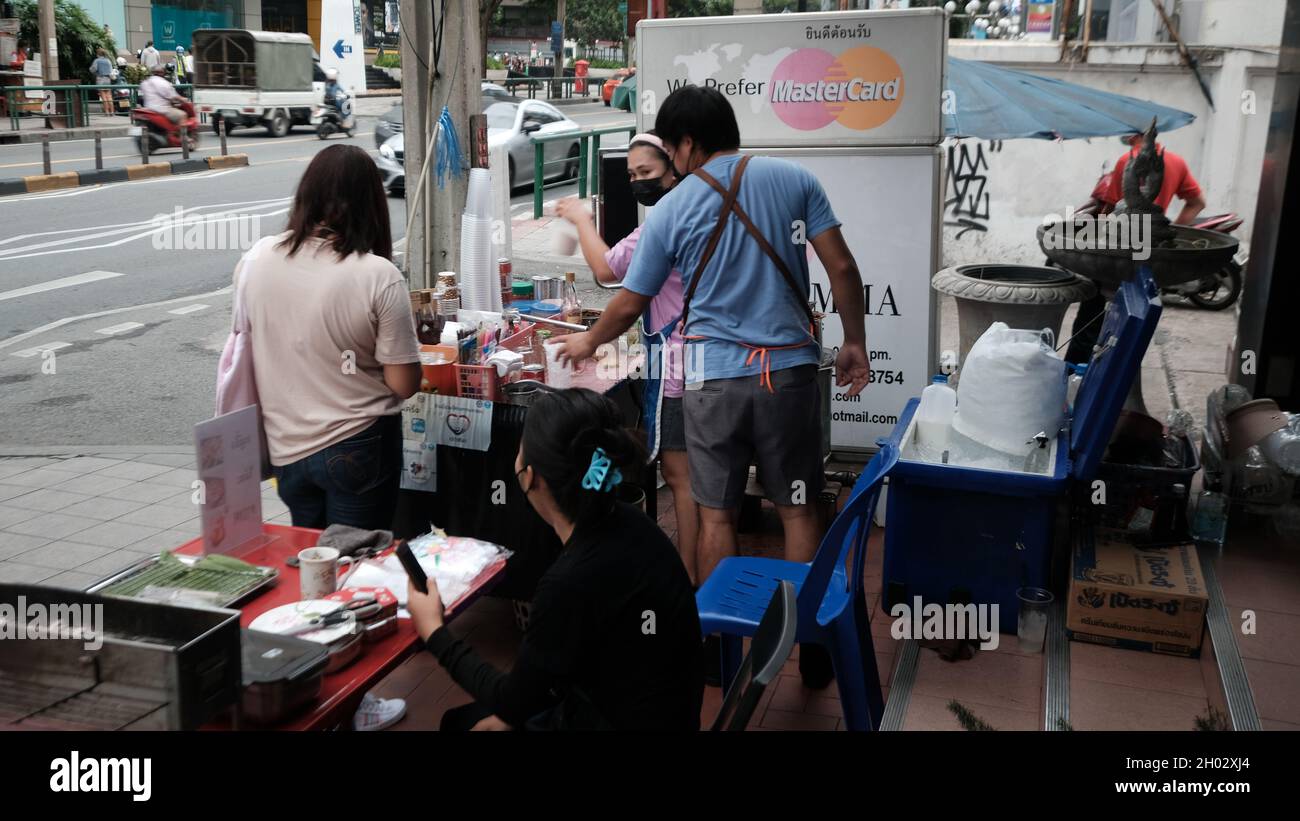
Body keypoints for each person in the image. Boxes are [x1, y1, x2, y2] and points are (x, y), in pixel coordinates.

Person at [553, 85, 870, 690]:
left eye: (670, 150)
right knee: (799, 507)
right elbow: (844, 269)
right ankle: (804, 645)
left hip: (709, 383)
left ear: (688, 143)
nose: (670, 163)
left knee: (715, 515)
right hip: (788, 377)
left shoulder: (671, 210)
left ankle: (722, 653)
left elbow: (628, 302)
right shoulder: (794, 178)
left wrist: (586, 343)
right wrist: (853, 341)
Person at [229, 145, 419, 732]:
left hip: (288, 455)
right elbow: (403, 382)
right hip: (358, 445)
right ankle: (353, 707)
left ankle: (303, 691)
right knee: (356, 578)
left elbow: (247, 344)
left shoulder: (257, 259)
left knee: (312, 576)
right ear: (372, 205)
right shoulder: (376, 275)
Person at [406, 388, 704, 731]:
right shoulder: (632, 524)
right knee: (468, 720)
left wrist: (434, 632)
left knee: (459, 724)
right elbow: (545, 679)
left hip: (618, 715)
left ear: (529, 476)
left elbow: (512, 700)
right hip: (659, 709)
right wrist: (514, 712)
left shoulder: (569, 581)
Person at [554, 132, 700, 585]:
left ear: (674, 165)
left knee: (682, 480)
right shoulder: (697, 209)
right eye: (631, 174)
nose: (637, 182)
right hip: (702, 361)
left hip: (679, 368)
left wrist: (580, 218)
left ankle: (691, 583)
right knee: (704, 483)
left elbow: (606, 272)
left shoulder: (665, 220)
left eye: (647, 173)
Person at [1063, 132, 1206, 364]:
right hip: (1149, 255)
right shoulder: (1176, 162)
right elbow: (1198, 203)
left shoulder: (1127, 160)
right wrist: (1168, 232)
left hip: (1116, 255)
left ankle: (1076, 373)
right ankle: (1116, 373)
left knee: (1091, 321)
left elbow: (1108, 211)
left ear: (1134, 135)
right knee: (1130, 322)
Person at [90, 48, 114, 115]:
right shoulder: (108, 61)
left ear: (98, 54)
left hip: (100, 79)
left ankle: (106, 112)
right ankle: (112, 111)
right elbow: (111, 70)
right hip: (108, 79)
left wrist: (92, 71)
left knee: (103, 96)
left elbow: (93, 69)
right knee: (109, 96)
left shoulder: (97, 61)